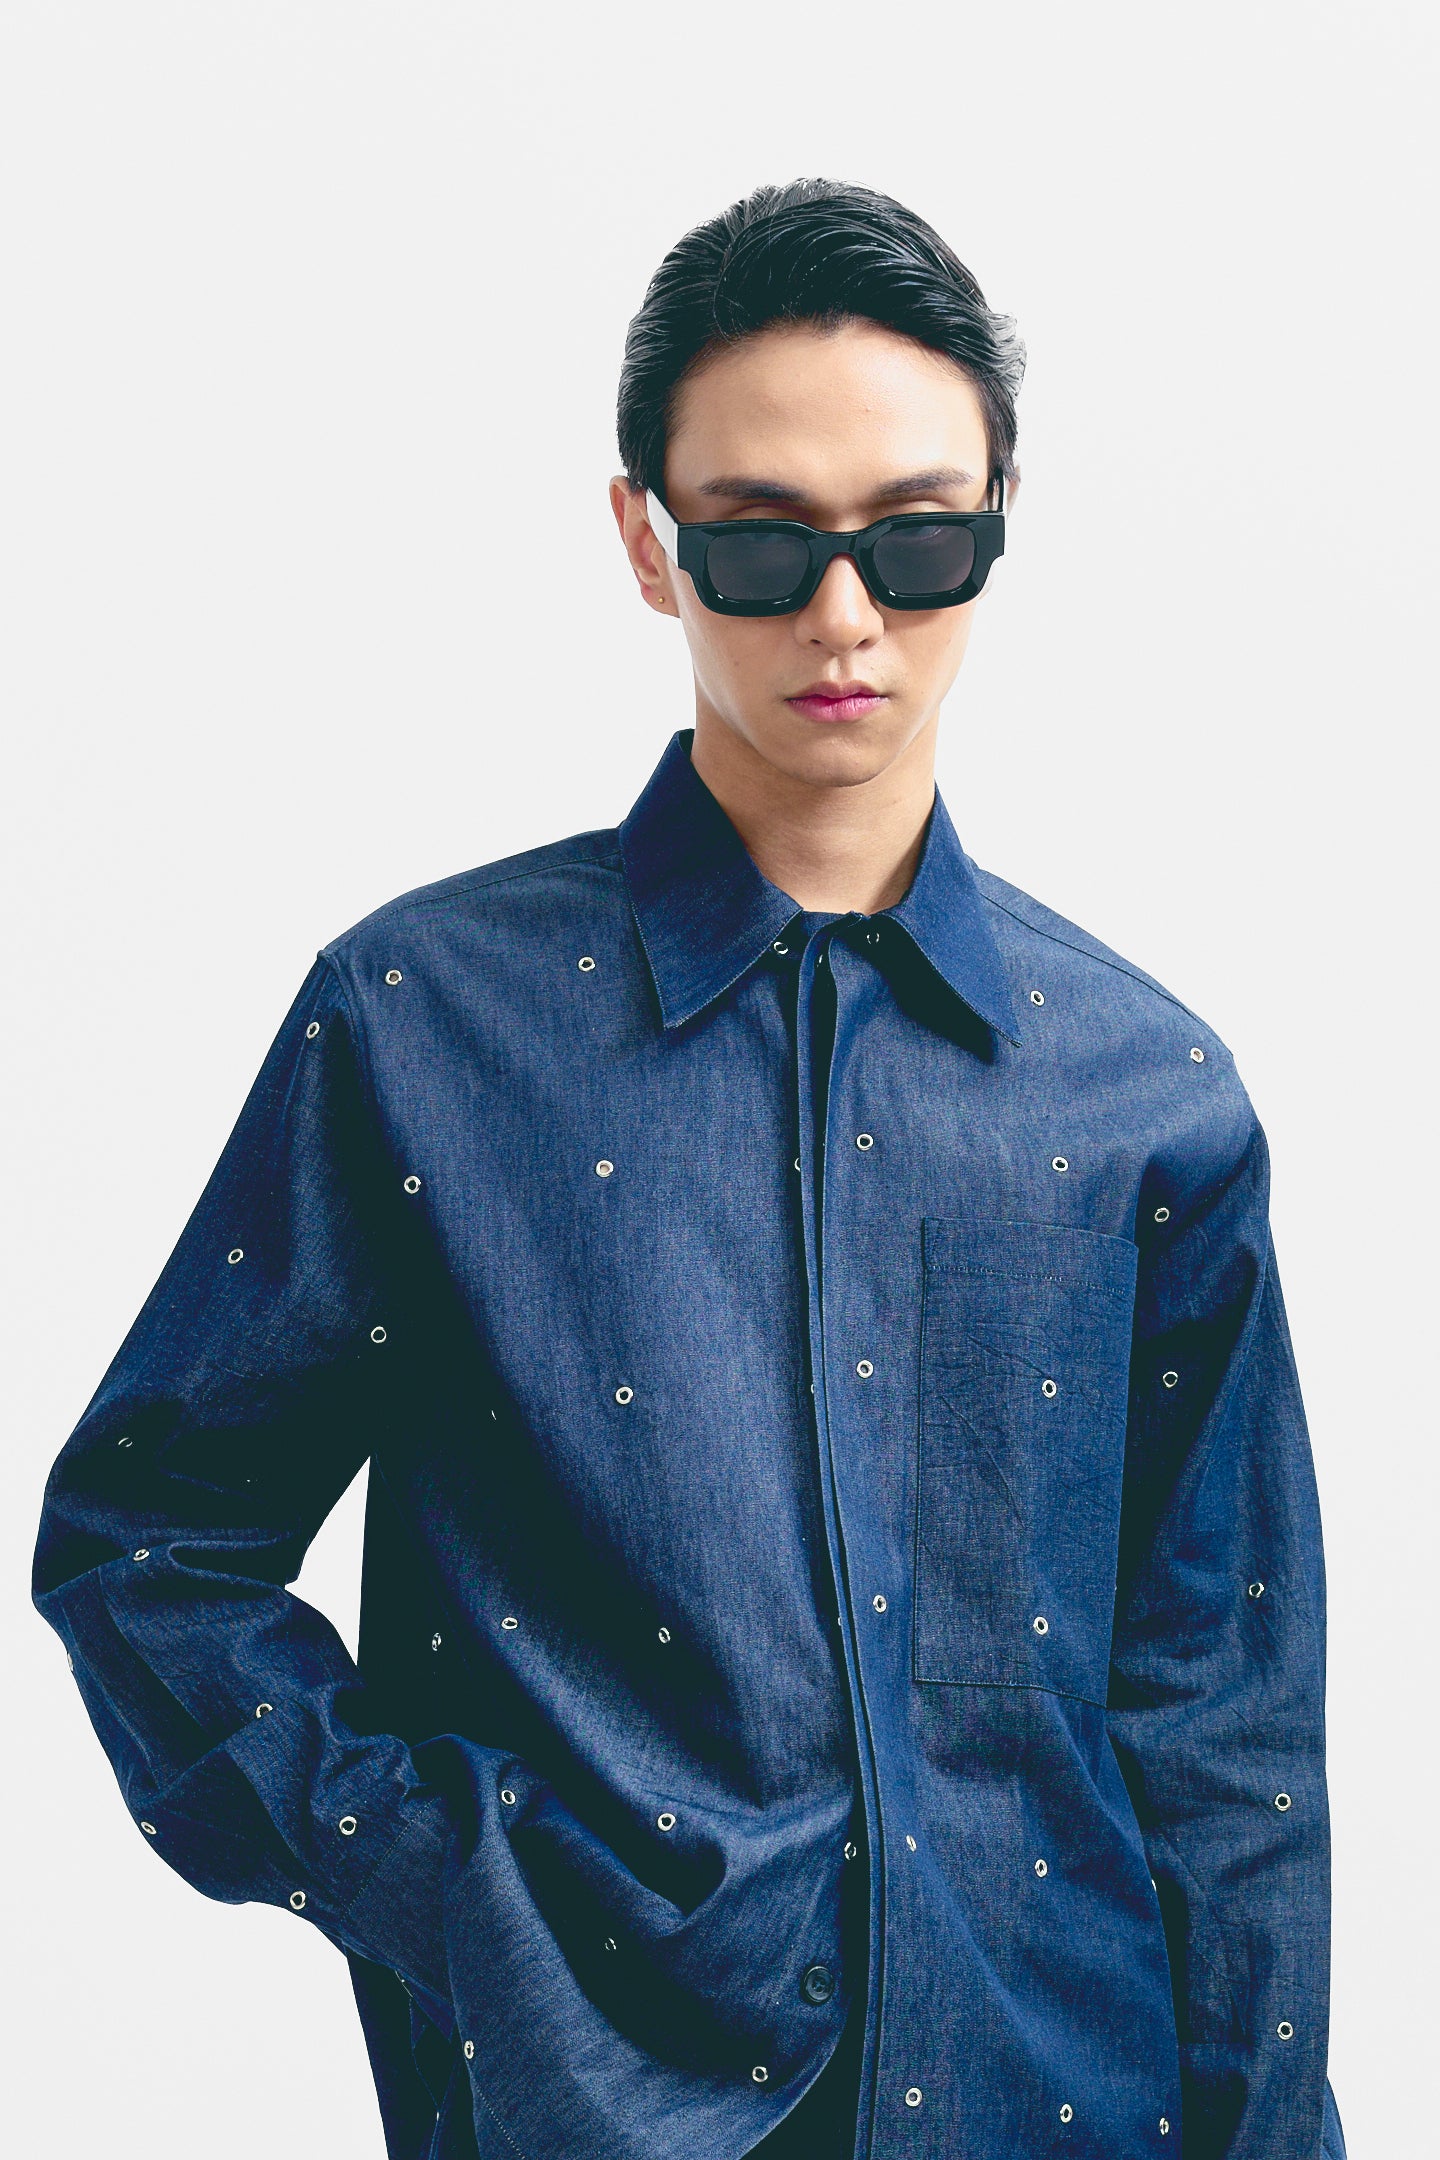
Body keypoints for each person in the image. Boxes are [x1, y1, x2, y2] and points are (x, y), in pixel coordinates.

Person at [32, 178, 1346, 2160]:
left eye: (919, 539)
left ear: (999, 525)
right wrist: (451, 1889)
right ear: (646, 540)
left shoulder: (1148, 1093)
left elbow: (1226, 1733)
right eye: (761, 542)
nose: (846, 616)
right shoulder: (422, 1025)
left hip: (1070, 2103)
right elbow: (147, 1539)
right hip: (593, 2116)